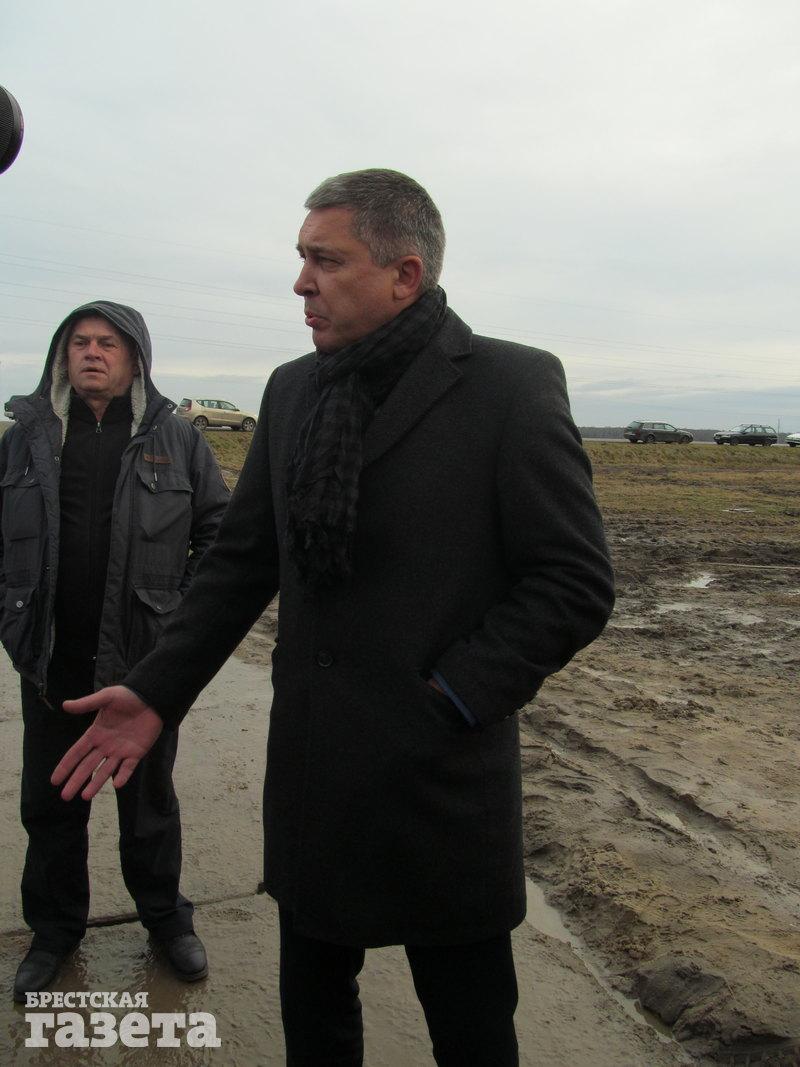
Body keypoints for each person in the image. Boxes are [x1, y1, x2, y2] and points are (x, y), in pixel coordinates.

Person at [52, 173, 615, 1065]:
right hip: (315, 776)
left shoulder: (509, 384)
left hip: (440, 779)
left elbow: (573, 580)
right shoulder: (293, 391)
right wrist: (155, 690)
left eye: (326, 260)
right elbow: (241, 565)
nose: (301, 283)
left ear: (404, 273)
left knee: (471, 1031)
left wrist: (452, 694)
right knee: (315, 1025)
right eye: (301, 258)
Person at [0, 301, 230, 1002]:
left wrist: (176, 624)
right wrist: (13, 616)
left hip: (143, 668)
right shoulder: (25, 438)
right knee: (51, 805)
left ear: (136, 358)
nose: (92, 352)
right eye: (79, 342)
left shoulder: (176, 437)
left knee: (149, 804)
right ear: (61, 355)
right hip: (52, 664)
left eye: (107, 343)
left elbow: (219, 535)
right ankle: (54, 932)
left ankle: (165, 919)